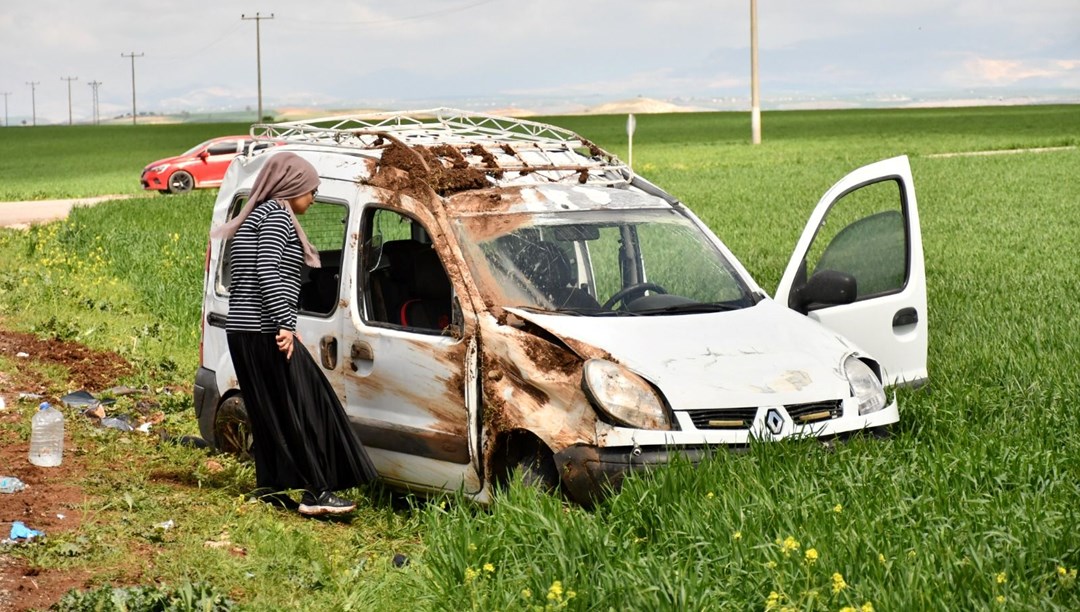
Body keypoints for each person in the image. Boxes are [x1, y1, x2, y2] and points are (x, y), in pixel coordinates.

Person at [211, 152, 376, 516]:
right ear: (291, 187)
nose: (314, 197)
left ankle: (269, 487)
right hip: (264, 330)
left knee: (269, 408)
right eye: (311, 189)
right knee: (305, 406)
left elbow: (248, 276)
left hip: (245, 331)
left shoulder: (255, 216)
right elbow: (268, 271)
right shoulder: (275, 217)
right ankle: (317, 493)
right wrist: (285, 324)